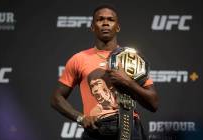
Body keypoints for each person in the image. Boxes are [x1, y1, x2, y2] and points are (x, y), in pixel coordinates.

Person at [51, 4, 158, 140]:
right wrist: (80, 117)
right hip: (96, 129)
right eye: (100, 19)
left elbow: (153, 103)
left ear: (117, 27)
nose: (106, 23)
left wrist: (127, 82)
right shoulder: (79, 59)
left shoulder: (131, 58)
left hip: (128, 127)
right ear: (92, 27)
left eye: (110, 20)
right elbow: (56, 98)